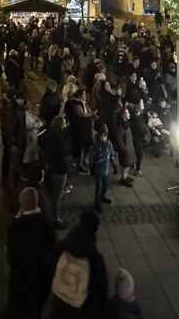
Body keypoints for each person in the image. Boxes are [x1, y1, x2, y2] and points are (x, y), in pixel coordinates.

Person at [6, 187, 56, 319]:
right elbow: (52, 249)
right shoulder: (46, 223)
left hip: (21, 278)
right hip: (40, 279)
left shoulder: (16, 226)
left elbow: (11, 255)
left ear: (21, 204)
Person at [48, 210, 109, 318]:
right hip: (82, 310)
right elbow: (100, 292)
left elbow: (50, 265)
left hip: (60, 304)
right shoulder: (95, 260)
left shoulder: (63, 246)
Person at [40, 116, 73, 229]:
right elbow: (67, 150)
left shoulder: (49, 134)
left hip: (52, 167)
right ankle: (56, 218)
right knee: (57, 195)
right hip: (59, 169)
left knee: (53, 193)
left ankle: (51, 215)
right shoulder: (58, 137)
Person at [89, 125, 117, 212]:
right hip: (98, 170)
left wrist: (114, 166)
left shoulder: (109, 144)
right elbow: (92, 158)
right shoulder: (96, 146)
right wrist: (91, 168)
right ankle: (97, 202)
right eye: (101, 136)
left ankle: (102, 197)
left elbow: (111, 155)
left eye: (105, 136)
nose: (103, 138)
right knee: (99, 186)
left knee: (105, 185)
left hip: (106, 169)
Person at [114, 107, 136, 187]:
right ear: (123, 115)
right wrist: (124, 148)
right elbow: (119, 138)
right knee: (125, 164)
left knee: (128, 164)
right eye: (127, 113)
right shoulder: (121, 126)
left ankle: (126, 176)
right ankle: (123, 178)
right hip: (125, 149)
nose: (129, 114)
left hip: (129, 147)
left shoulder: (126, 123)